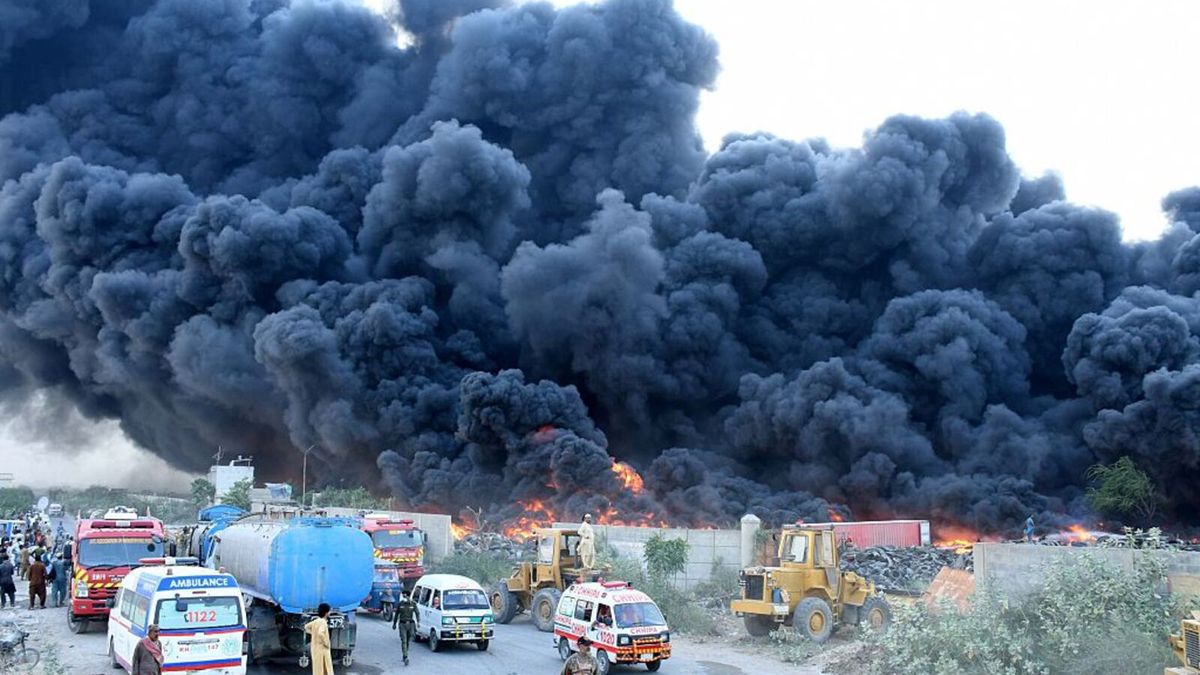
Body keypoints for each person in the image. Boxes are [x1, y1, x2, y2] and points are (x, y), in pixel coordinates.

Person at [303, 602, 334, 675]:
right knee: (326, 669)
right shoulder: (323, 622)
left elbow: (306, 627)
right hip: (322, 649)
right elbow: (321, 633)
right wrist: (326, 643)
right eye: (329, 611)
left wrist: (313, 633)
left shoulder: (316, 621)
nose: (330, 613)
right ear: (326, 613)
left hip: (315, 649)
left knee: (318, 669)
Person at [391, 591, 417, 666]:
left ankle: (405, 653)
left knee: (408, 640)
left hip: (410, 624)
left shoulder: (413, 604)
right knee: (404, 641)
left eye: (405, 596)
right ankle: (405, 656)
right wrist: (394, 624)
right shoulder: (400, 604)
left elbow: (417, 613)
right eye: (403, 596)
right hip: (402, 624)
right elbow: (396, 614)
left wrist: (418, 622)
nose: (404, 597)